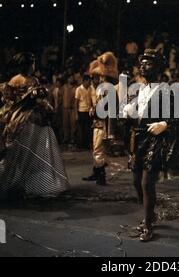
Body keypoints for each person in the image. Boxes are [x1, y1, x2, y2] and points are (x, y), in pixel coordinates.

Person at [123, 49, 177, 242]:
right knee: (136, 182)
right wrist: (129, 113)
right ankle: (151, 213)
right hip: (138, 140)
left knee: (147, 183)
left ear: (159, 67)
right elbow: (138, 114)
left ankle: (148, 224)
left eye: (149, 63)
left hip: (156, 140)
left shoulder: (167, 89)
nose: (143, 66)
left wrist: (164, 124)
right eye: (142, 63)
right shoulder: (139, 89)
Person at [0, 52, 69, 198]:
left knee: (31, 153)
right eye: (32, 64)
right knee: (21, 152)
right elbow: (9, 100)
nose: (34, 66)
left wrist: (45, 104)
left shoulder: (31, 80)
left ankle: (28, 182)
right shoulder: (17, 80)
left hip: (32, 119)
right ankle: (17, 182)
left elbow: (38, 99)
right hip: (22, 119)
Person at [82, 52, 119, 185]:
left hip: (103, 123)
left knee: (99, 150)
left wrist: (94, 110)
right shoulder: (105, 88)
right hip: (100, 123)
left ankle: (101, 176)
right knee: (96, 149)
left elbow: (108, 109)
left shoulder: (108, 89)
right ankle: (97, 173)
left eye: (101, 75)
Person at [75, 74, 92, 149]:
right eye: (88, 81)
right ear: (84, 81)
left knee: (87, 129)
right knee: (81, 129)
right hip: (81, 111)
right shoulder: (79, 89)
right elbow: (76, 102)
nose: (89, 83)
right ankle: (80, 145)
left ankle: (86, 144)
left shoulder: (90, 89)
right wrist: (76, 113)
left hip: (88, 111)